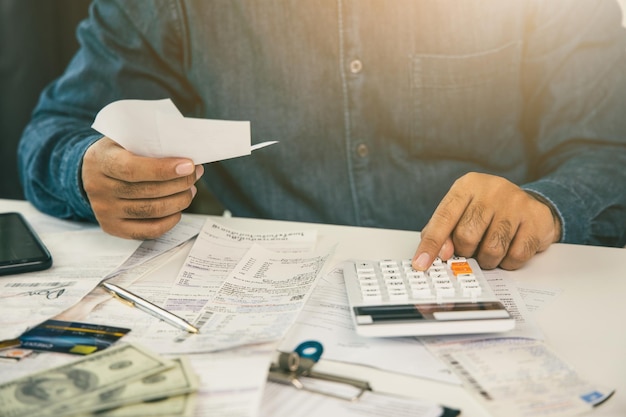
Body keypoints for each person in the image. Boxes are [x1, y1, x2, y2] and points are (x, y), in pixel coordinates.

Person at [18, 0, 626, 272]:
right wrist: (88, 166)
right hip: (271, 303)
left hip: (501, 285)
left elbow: (607, 150)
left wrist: (546, 204)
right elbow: (51, 132)